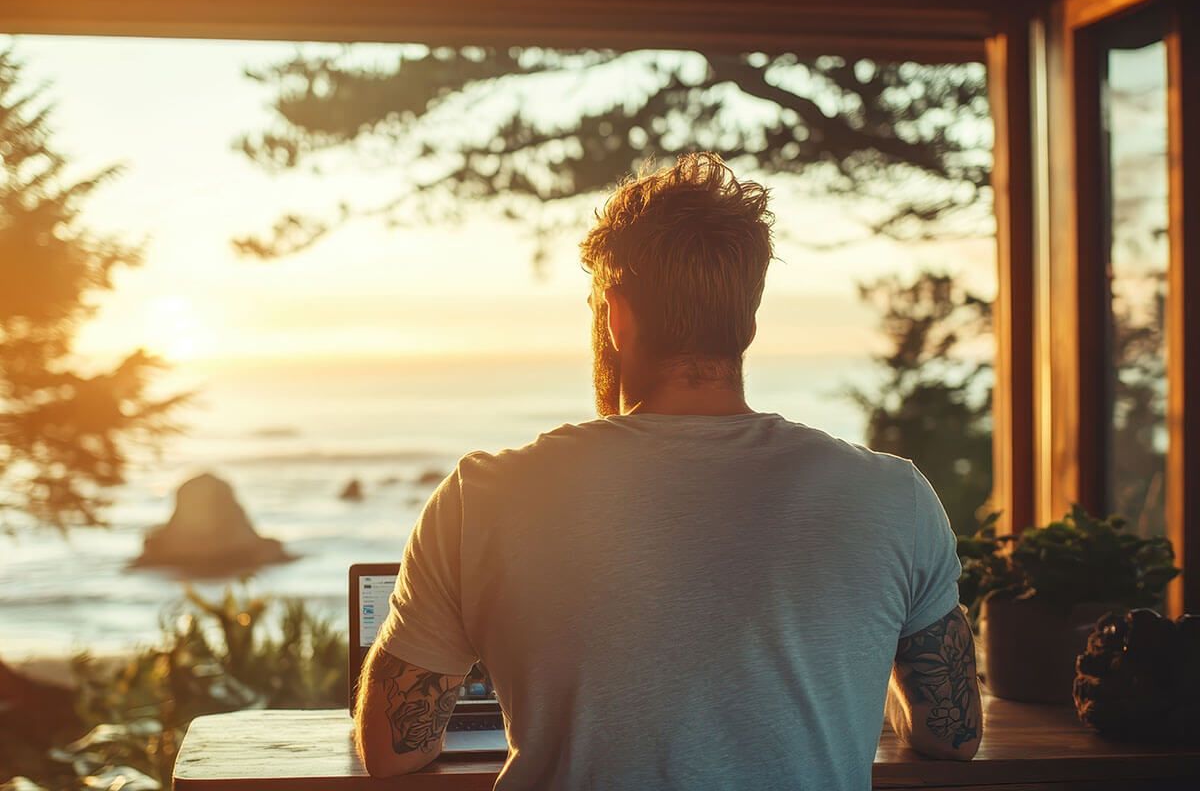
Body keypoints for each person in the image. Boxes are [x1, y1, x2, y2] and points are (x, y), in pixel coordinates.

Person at [354, 152, 982, 789]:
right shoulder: (893, 496)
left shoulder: (483, 497)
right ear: (748, 323)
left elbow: (392, 750)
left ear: (616, 317)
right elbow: (951, 734)